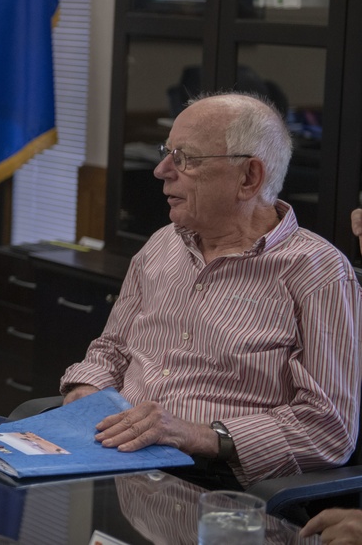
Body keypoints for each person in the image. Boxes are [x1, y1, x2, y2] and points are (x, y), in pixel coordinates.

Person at [60, 91, 362, 489]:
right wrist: (86, 390)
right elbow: (112, 349)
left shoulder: (317, 272)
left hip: (214, 483)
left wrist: (200, 435)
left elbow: (329, 429)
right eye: (167, 152)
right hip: (115, 458)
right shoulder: (162, 244)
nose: (161, 169)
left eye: (184, 158)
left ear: (248, 177)